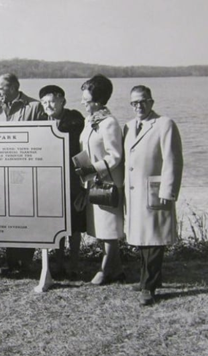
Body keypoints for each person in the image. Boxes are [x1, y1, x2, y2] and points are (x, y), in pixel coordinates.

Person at [123, 85, 183, 306]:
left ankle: (150, 287)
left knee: (154, 240)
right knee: (141, 239)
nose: (138, 106)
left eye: (143, 101)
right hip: (134, 191)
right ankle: (144, 280)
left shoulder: (164, 124)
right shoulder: (129, 127)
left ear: (151, 102)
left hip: (155, 190)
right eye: (134, 102)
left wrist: (169, 190)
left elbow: (173, 160)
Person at [0, 73, 45, 275]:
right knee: (7, 216)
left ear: (13, 87)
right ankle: (11, 261)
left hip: (27, 172)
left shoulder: (34, 106)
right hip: (2, 172)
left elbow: (42, 140)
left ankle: (26, 262)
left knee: (26, 216)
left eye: (1, 88)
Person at [76, 74, 125, 285]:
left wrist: (92, 169)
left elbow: (115, 156)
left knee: (109, 229)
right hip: (92, 181)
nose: (83, 104)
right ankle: (118, 268)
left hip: (108, 183)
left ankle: (104, 270)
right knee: (100, 228)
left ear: (98, 101)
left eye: (87, 101)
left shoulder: (109, 123)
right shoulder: (90, 121)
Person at [39, 85, 85, 277]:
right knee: (55, 223)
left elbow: (83, 149)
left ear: (62, 102)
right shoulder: (41, 120)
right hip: (50, 181)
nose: (48, 105)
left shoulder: (75, 119)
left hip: (73, 179)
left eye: (52, 101)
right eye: (44, 102)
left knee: (74, 224)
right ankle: (57, 263)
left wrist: (84, 182)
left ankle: (73, 263)